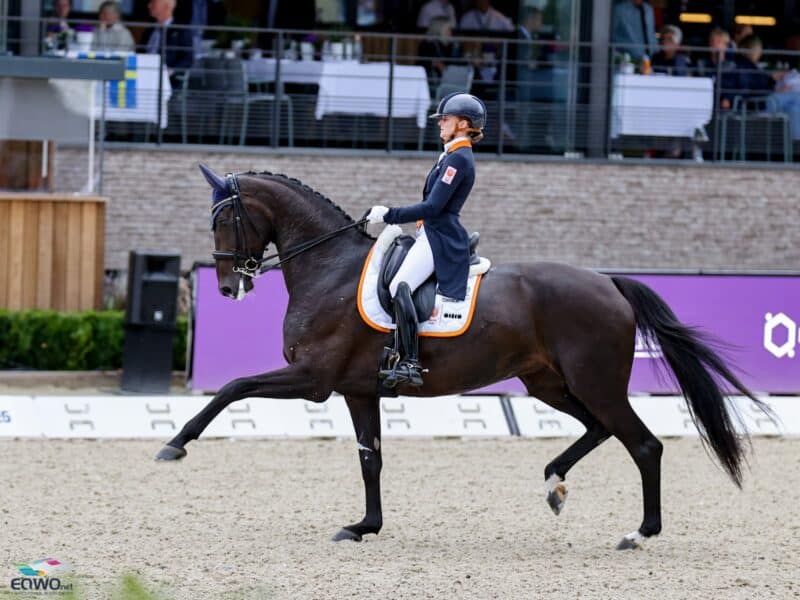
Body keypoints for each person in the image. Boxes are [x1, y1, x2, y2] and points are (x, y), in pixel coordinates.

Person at [365, 93, 486, 387]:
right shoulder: (450, 155)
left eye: (445, 119)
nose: (440, 124)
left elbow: (433, 207)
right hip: (429, 232)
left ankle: (410, 362)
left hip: (440, 235)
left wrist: (390, 214)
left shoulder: (458, 159)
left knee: (398, 286)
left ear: (462, 123)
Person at [141, 0, 194, 73]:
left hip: (166, 78)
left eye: (154, 3)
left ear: (166, 7)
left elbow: (188, 59)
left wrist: (172, 70)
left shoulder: (181, 31)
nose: (149, 5)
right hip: (143, 72)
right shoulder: (149, 30)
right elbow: (140, 51)